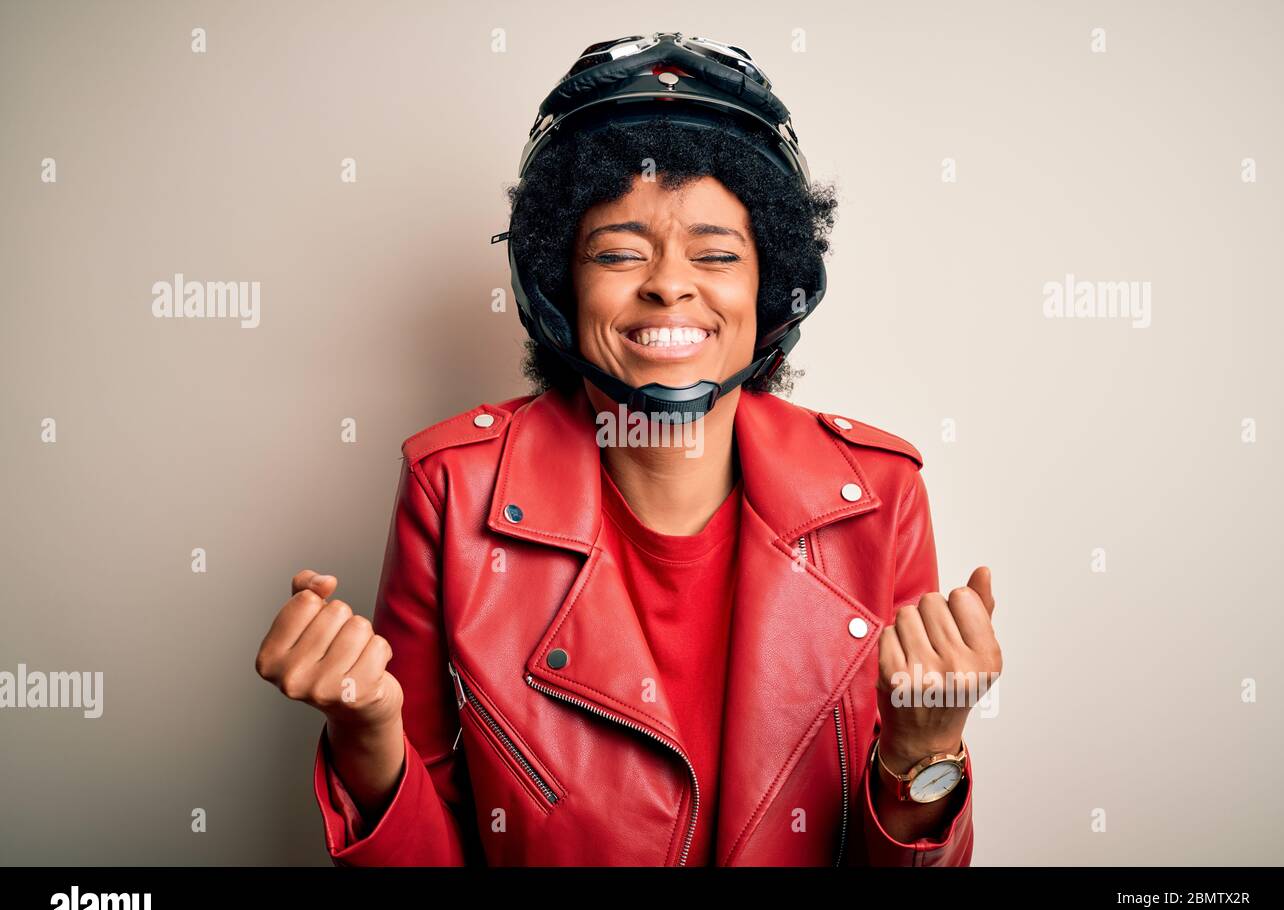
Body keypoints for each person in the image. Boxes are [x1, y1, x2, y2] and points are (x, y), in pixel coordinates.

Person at [255, 33, 1001, 866]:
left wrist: (923, 753)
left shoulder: (879, 491)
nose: (669, 284)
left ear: (771, 285)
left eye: (717, 253)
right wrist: (366, 734)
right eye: (618, 252)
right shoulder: (450, 489)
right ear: (557, 287)